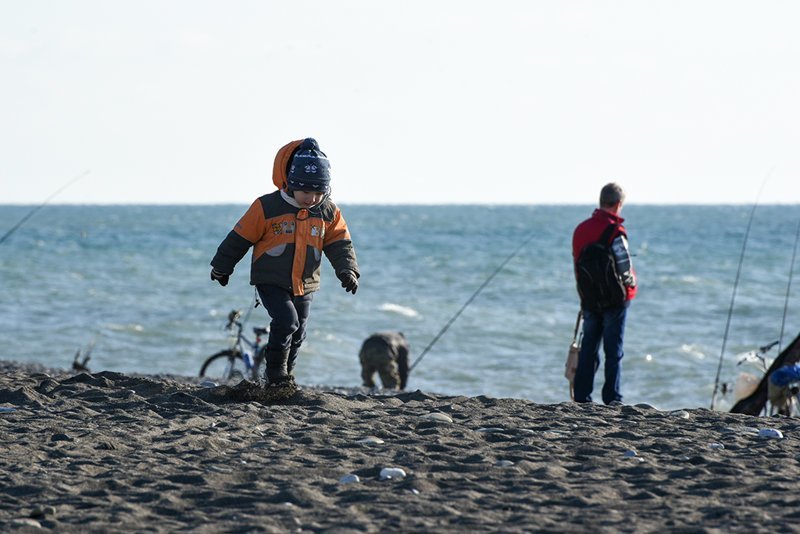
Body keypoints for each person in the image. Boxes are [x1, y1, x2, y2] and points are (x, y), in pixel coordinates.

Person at [209, 138, 360, 398]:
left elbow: (339, 243)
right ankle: (275, 373)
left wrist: (347, 271)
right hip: (271, 280)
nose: (312, 198)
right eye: (306, 192)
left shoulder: (327, 211)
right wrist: (222, 268)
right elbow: (238, 239)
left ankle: (285, 379)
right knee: (286, 321)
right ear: (289, 184)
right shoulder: (266, 207)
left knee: (299, 330)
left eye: (319, 192)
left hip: (306, 283)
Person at [571, 182, 637, 405]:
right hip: (614, 301)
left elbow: (577, 265)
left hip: (589, 299)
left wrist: (584, 295)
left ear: (601, 202)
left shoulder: (580, 229)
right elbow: (624, 267)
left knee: (588, 348)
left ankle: (582, 397)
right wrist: (631, 286)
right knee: (613, 352)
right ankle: (612, 398)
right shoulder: (615, 231)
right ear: (619, 204)